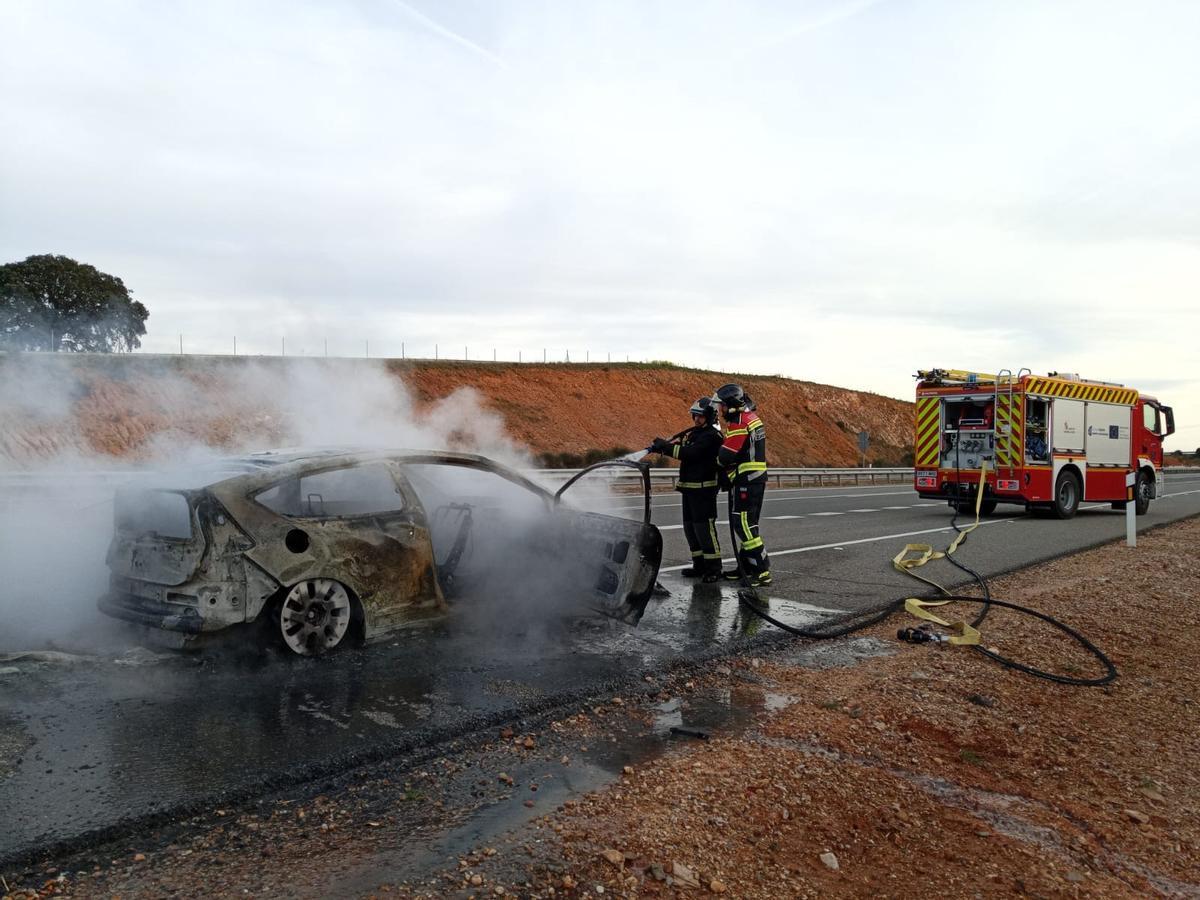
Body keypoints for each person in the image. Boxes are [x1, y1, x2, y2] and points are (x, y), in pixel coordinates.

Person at [650, 397, 723, 582]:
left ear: (709, 416)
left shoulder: (712, 436)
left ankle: (714, 568)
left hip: (704, 491)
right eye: (694, 416)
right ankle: (699, 565)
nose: (696, 420)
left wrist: (665, 448)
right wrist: (664, 447)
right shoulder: (696, 434)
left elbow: (690, 453)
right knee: (691, 529)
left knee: (704, 530)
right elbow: (684, 448)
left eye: (700, 416)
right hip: (690, 489)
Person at [713, 383, 771, 586]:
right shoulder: (750, 418)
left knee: (743, 525)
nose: (719, 410)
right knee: (749, 525)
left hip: (747, 481)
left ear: (730, 405)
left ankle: (761, 571)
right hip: (753, 479)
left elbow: (725, 455)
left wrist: (719, 464)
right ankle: (745, 567)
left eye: (721, 406)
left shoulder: (739, 422)